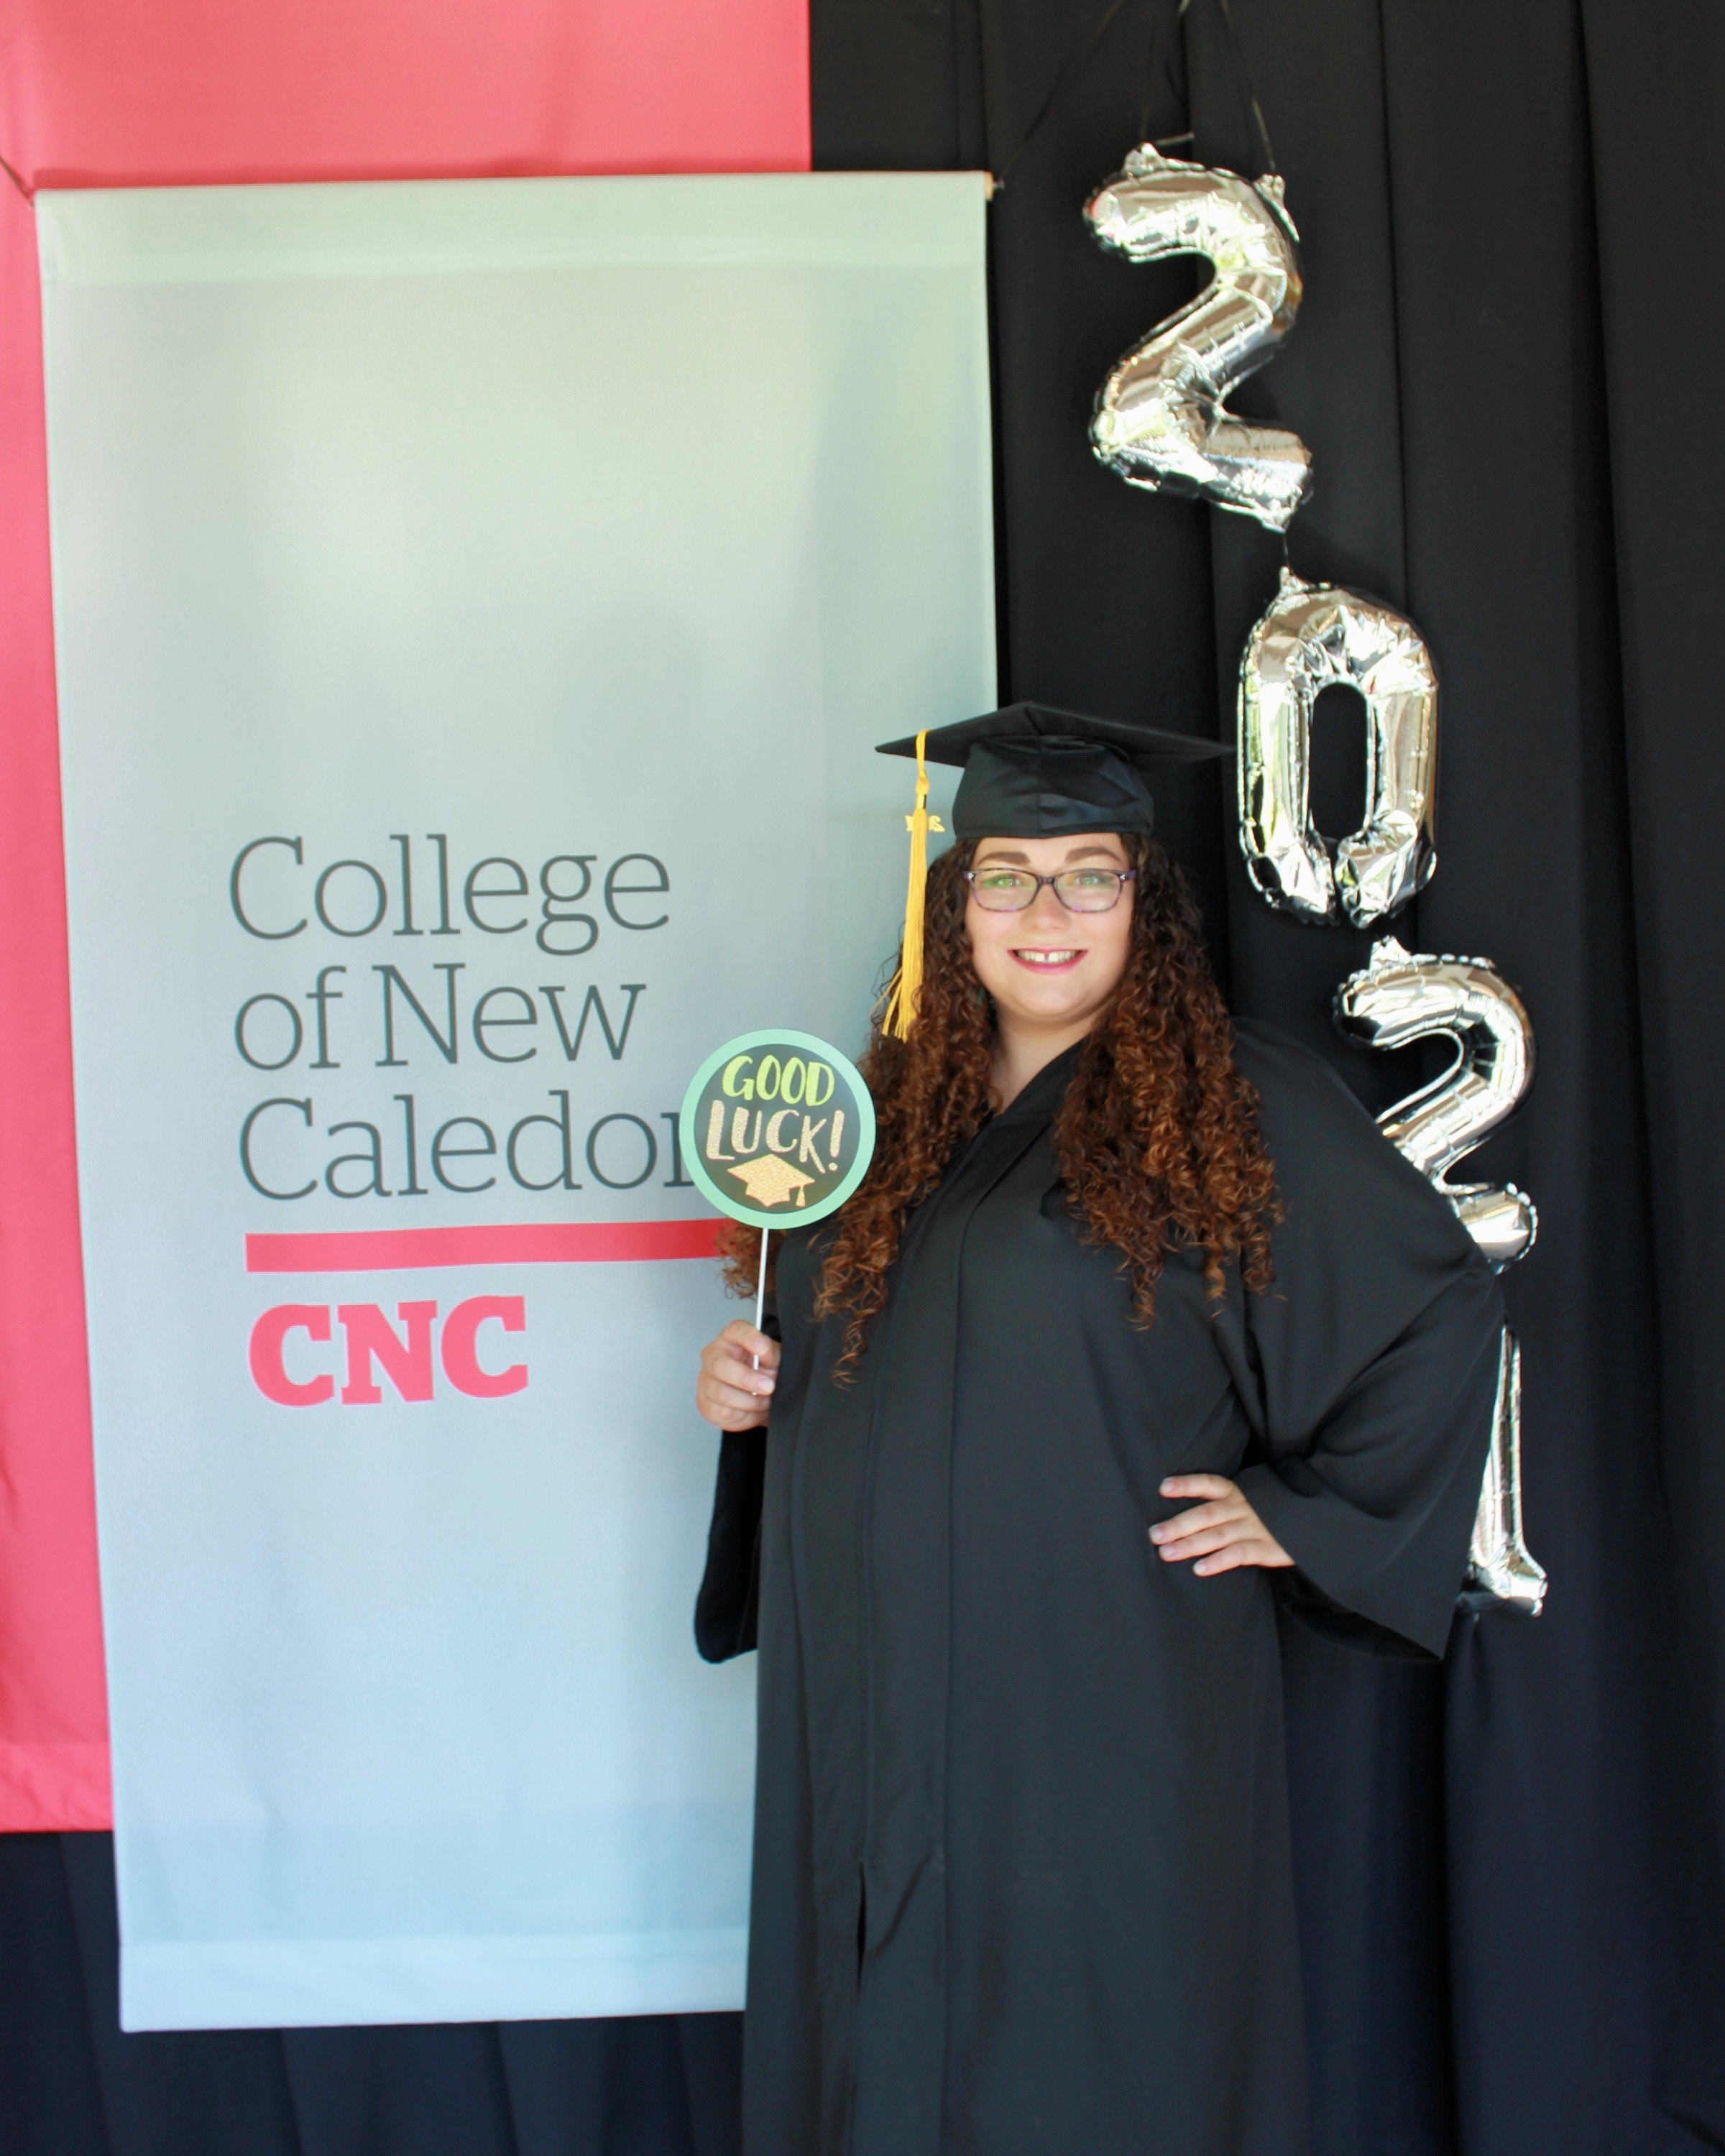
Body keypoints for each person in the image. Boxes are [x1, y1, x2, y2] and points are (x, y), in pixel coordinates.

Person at [692, 703, 1503, 2156]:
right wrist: (751, 1391)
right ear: (956, 906)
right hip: (871, 1675)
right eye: (1006, 876)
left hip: (1098, 1684)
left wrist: (1303, 1514)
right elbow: (820, 1329)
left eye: (1089, 876)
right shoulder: (886, 1111)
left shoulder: (1228, 1103)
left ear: (1145, 901)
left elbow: (1431, 1307)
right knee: (868, 2023)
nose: (1045, 914)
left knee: (1093, 2033)